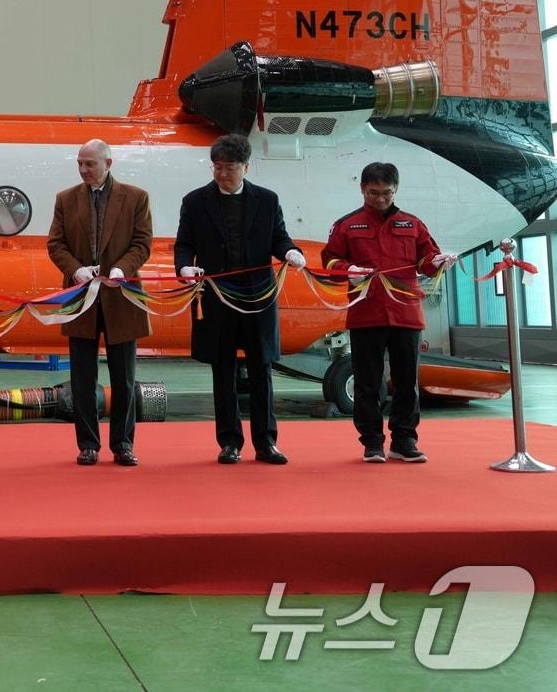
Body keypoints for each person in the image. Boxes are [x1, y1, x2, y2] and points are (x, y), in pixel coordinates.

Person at [173, 133, 306, 465]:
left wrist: (291, 252)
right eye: (216, 168)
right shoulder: (194, 201)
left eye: (229, 168)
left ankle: (266, 442)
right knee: (223, 370)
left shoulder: (267, 199)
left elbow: (279, 237)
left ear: (247, 166)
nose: (221, 175)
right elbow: (184, 245)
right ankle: (229, 441)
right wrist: (184, 268)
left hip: (257, 298)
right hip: (216, 297)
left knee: (262, 369)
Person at [321, 162, 452, 463]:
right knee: (368, 382)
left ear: (397, 189)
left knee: (407, 382)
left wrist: (439, 261)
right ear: (362, 189)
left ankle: (404, 441)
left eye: (387, 193)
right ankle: (372, 442)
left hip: (405, 313)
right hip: (366, 313)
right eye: (373, 193)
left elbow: (426, 261)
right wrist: (347, 270)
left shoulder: (413, 224)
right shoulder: (347, 225)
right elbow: (329, 261)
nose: (380, 199)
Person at [47, 139, 152, 467]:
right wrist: (74, 270)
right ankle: (88, 444)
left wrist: (123, 268)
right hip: (80, 299)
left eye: (89, 164)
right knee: (82, 376)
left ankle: (123, 444)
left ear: (108, 162)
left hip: (122, 297)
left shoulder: (136, 197)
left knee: (124, 377)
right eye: (79, 163)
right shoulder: (65, 199)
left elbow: (142, 242)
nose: (83, 170)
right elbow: (55, 243)